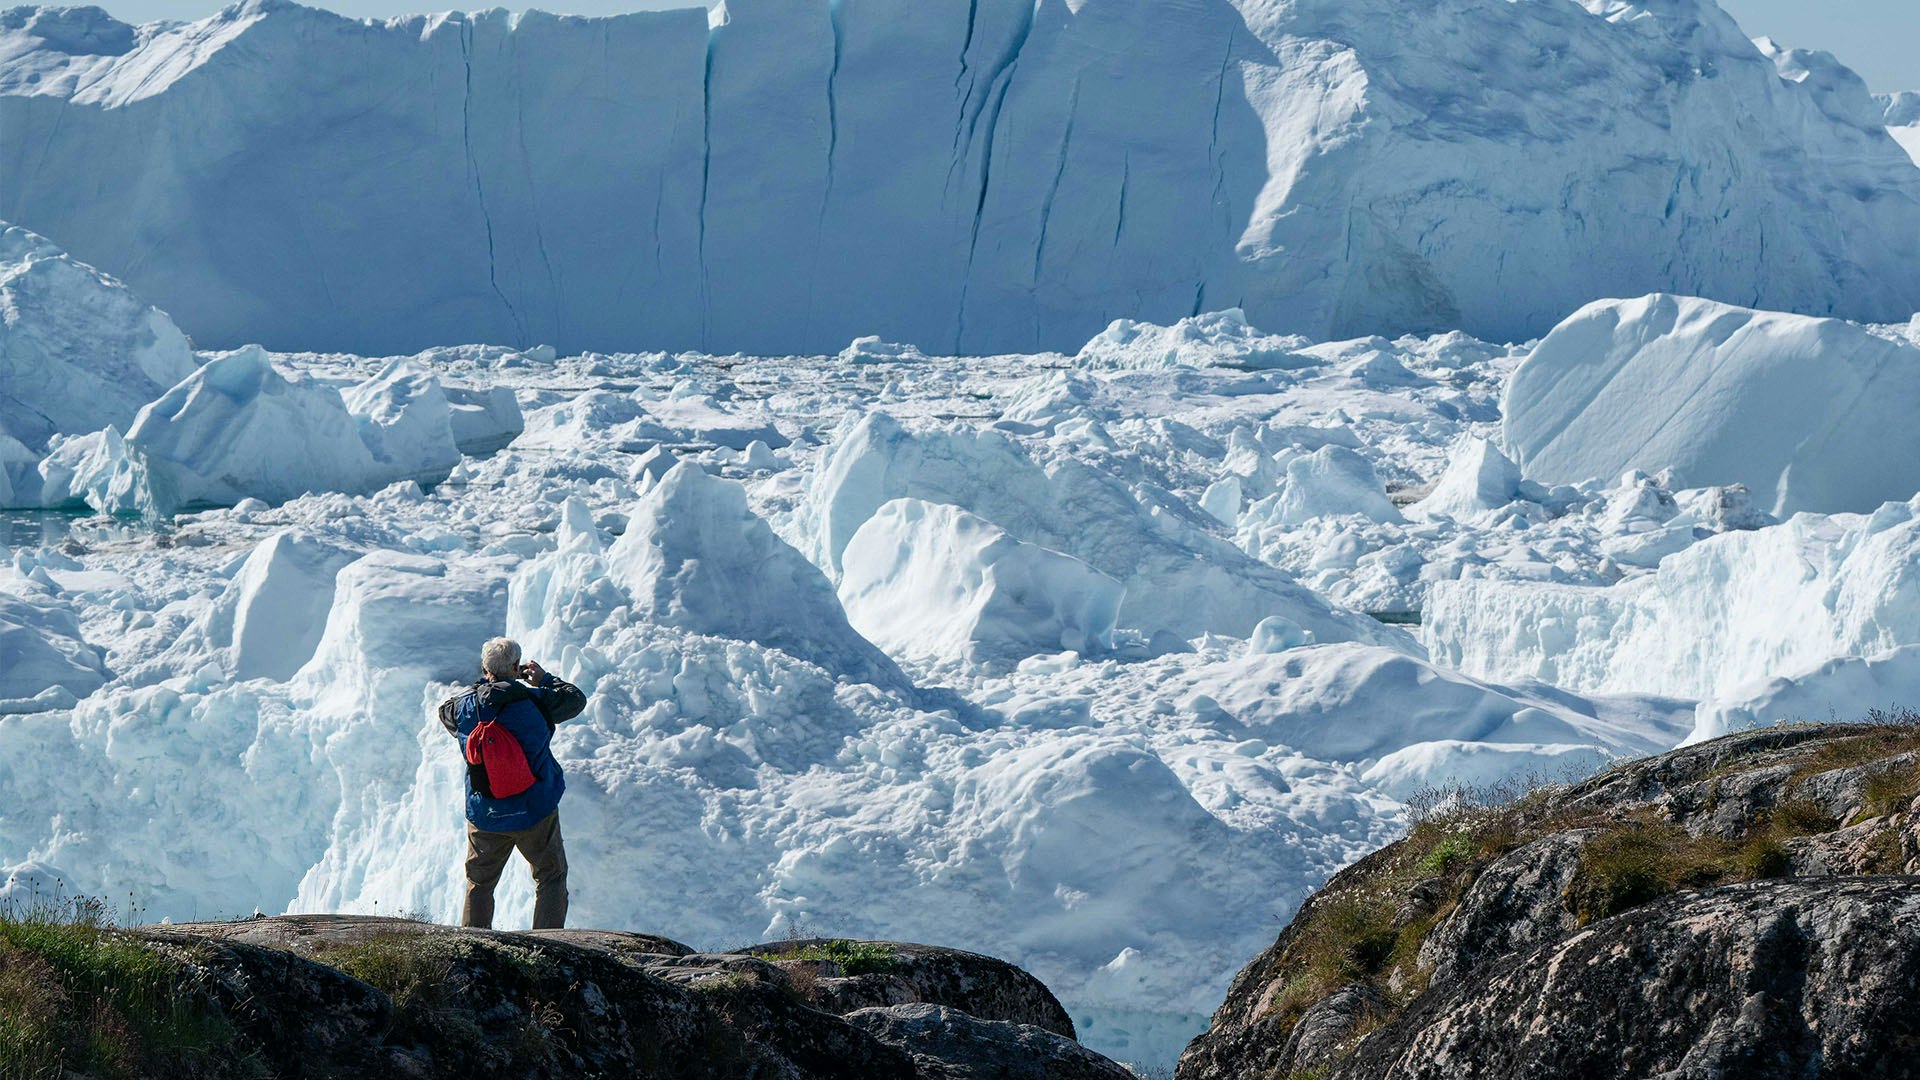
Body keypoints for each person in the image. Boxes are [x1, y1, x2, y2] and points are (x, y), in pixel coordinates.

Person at [437, 636, 585, 930]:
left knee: (479, 884)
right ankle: (549, 945)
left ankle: (474, 947)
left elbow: (445, 712)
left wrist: (480, 689)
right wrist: (543, 680)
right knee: (550, 877)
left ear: (484, 667)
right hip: (535, 811)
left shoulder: (466, 708)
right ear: (516, 667)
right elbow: (575, 699)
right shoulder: (537, 702)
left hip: (486, 815)